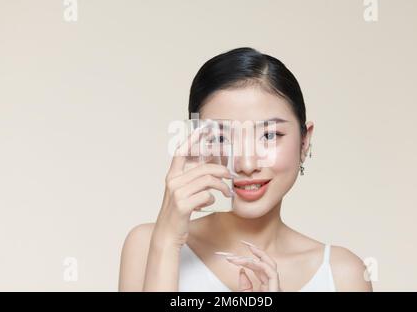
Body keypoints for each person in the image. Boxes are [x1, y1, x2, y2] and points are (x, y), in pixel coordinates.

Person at [118, 47, 373, 292]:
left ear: (304, 141)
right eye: (221, 138)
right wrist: (167, 241)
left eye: (270, 135)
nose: (247, 165)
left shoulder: (342, 275)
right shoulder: (148, 244)